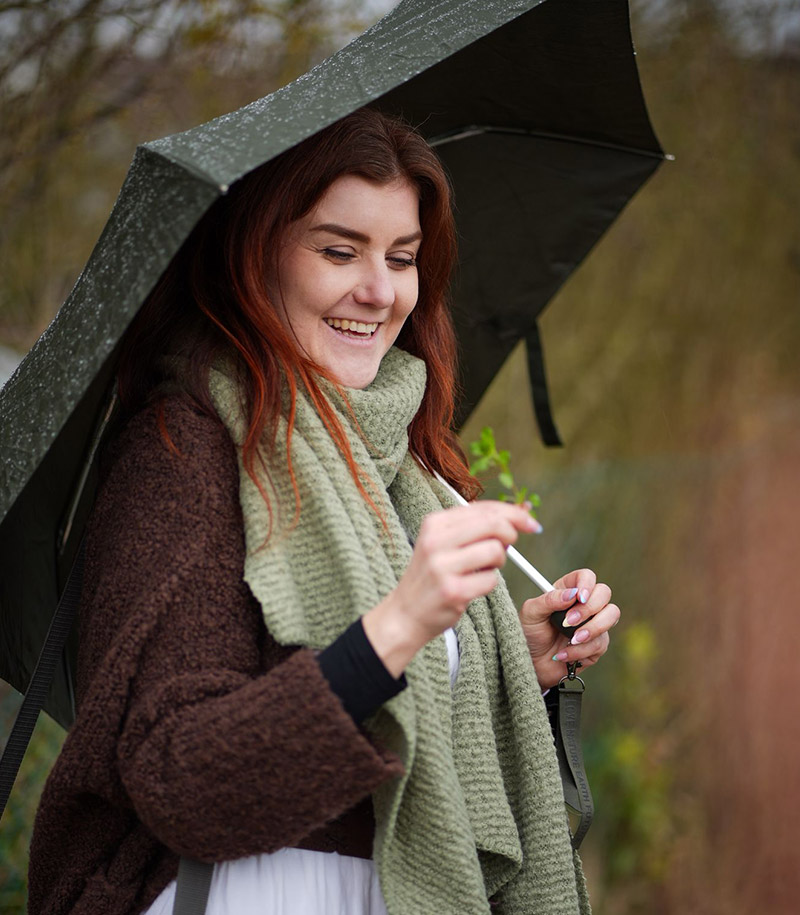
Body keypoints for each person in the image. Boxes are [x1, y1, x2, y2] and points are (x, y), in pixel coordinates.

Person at [28, 108, 619, 915]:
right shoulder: (186, 450)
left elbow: (402, 712)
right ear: (255, 255)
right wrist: (402, 625)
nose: (378, 291)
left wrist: (510, 658)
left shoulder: (406, 466)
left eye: (402, 258)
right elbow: (180, 779)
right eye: (339, 250)